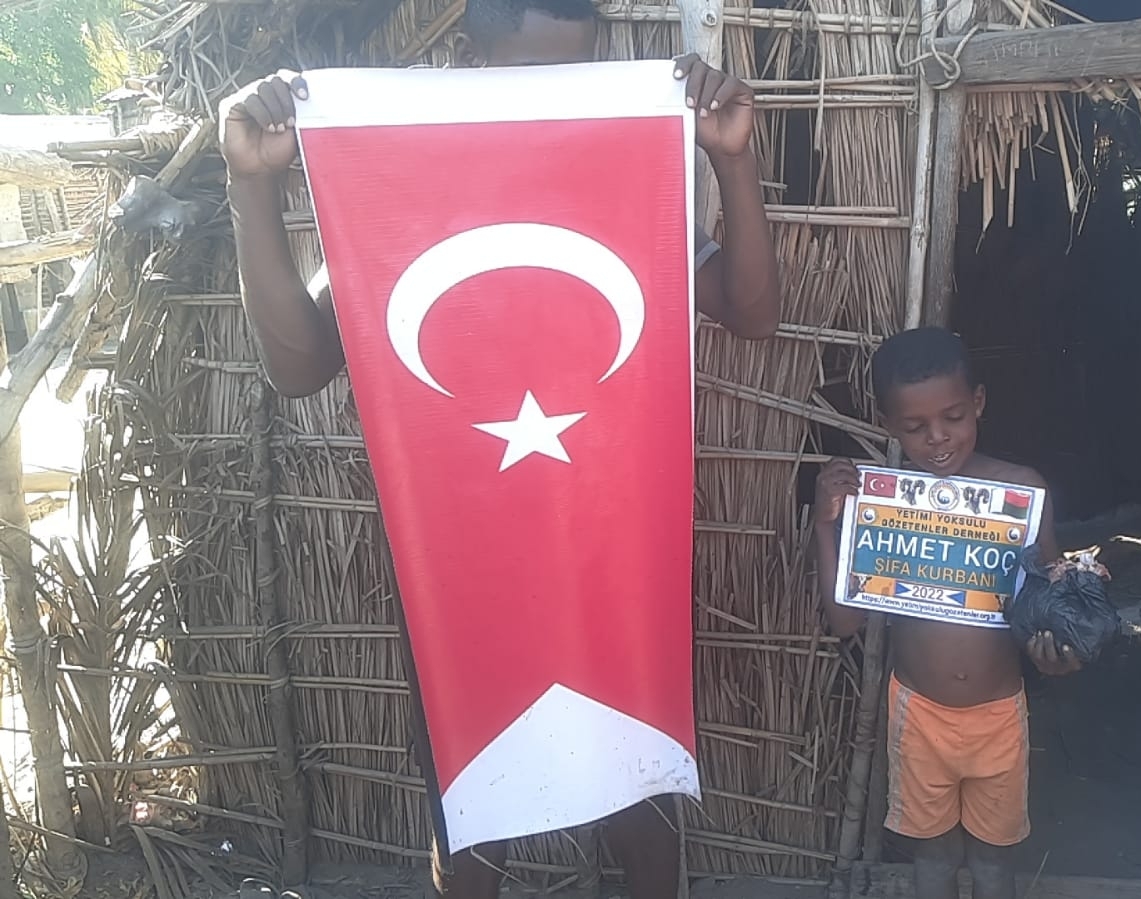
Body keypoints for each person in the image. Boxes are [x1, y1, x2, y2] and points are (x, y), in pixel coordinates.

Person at [216, 0, 783, 895]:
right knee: (473, 807)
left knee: (639, 793)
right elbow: (296, 368)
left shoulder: (618, 181)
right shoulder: (404, 191)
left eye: (574, 72)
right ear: (469, 58)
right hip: (457, 571)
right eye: (531, 74)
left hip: (611, 555)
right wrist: (251, 185)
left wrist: (732, 158)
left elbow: (752, 312)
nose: (551, 96)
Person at [812, 327, 1081, 899]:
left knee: (994, 866)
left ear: (978, 402)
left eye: (953, 417)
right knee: (932, 861)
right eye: (914, 427)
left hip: (999, 715)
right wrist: (825, 524)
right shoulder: (881, 504)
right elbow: (844, 623)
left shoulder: (1021, 494)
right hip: (918, 715)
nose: (936, 437)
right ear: (888, 424)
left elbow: (1051, 613)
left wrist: (1057, 656)